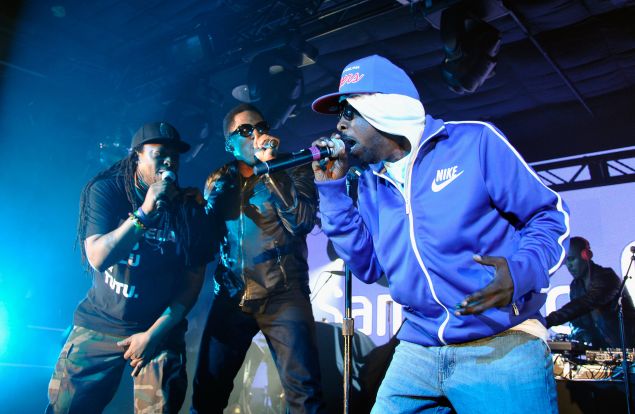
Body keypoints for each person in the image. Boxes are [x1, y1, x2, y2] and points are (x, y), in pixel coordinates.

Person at [310, 55, 571, 413]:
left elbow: (548, 215)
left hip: (500, 342)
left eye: (349, 111)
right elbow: (367, 267)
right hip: (418, 348)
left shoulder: (472, 142)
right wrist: (333, 191)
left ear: (386, 108)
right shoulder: (370, 184)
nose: (339, 125)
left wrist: (522, 270)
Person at [46, 122, 214, 413]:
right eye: (159, 154)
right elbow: (98, 257)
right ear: (137, 155)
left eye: (174, 156)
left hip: (158, 329)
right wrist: (145, 213)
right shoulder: (107, 191)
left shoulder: (189, 208)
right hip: (101, 321)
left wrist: (152, 335)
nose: (169, 162)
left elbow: (192, 284)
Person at [191, 103, 325, 413]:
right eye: (246, 130)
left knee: (304, 394)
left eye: (261, 127)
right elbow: (209, 239)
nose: (257, 134)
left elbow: (301, 222)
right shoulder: (217, 179)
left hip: (283, 293)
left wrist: (271, 170)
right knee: (208, 391)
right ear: (229, 142)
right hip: (232, 295)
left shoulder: (293, 165)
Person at [546, 236, 635, 348]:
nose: (569, 266)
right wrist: (580, 336)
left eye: (572, 259)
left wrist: (549, 320)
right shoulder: (576, 287)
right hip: (604, 352)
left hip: (628, 349)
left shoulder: (607, 276)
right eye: (566, 262)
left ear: (585, 255)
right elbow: (578, 322)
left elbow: (587, 302)